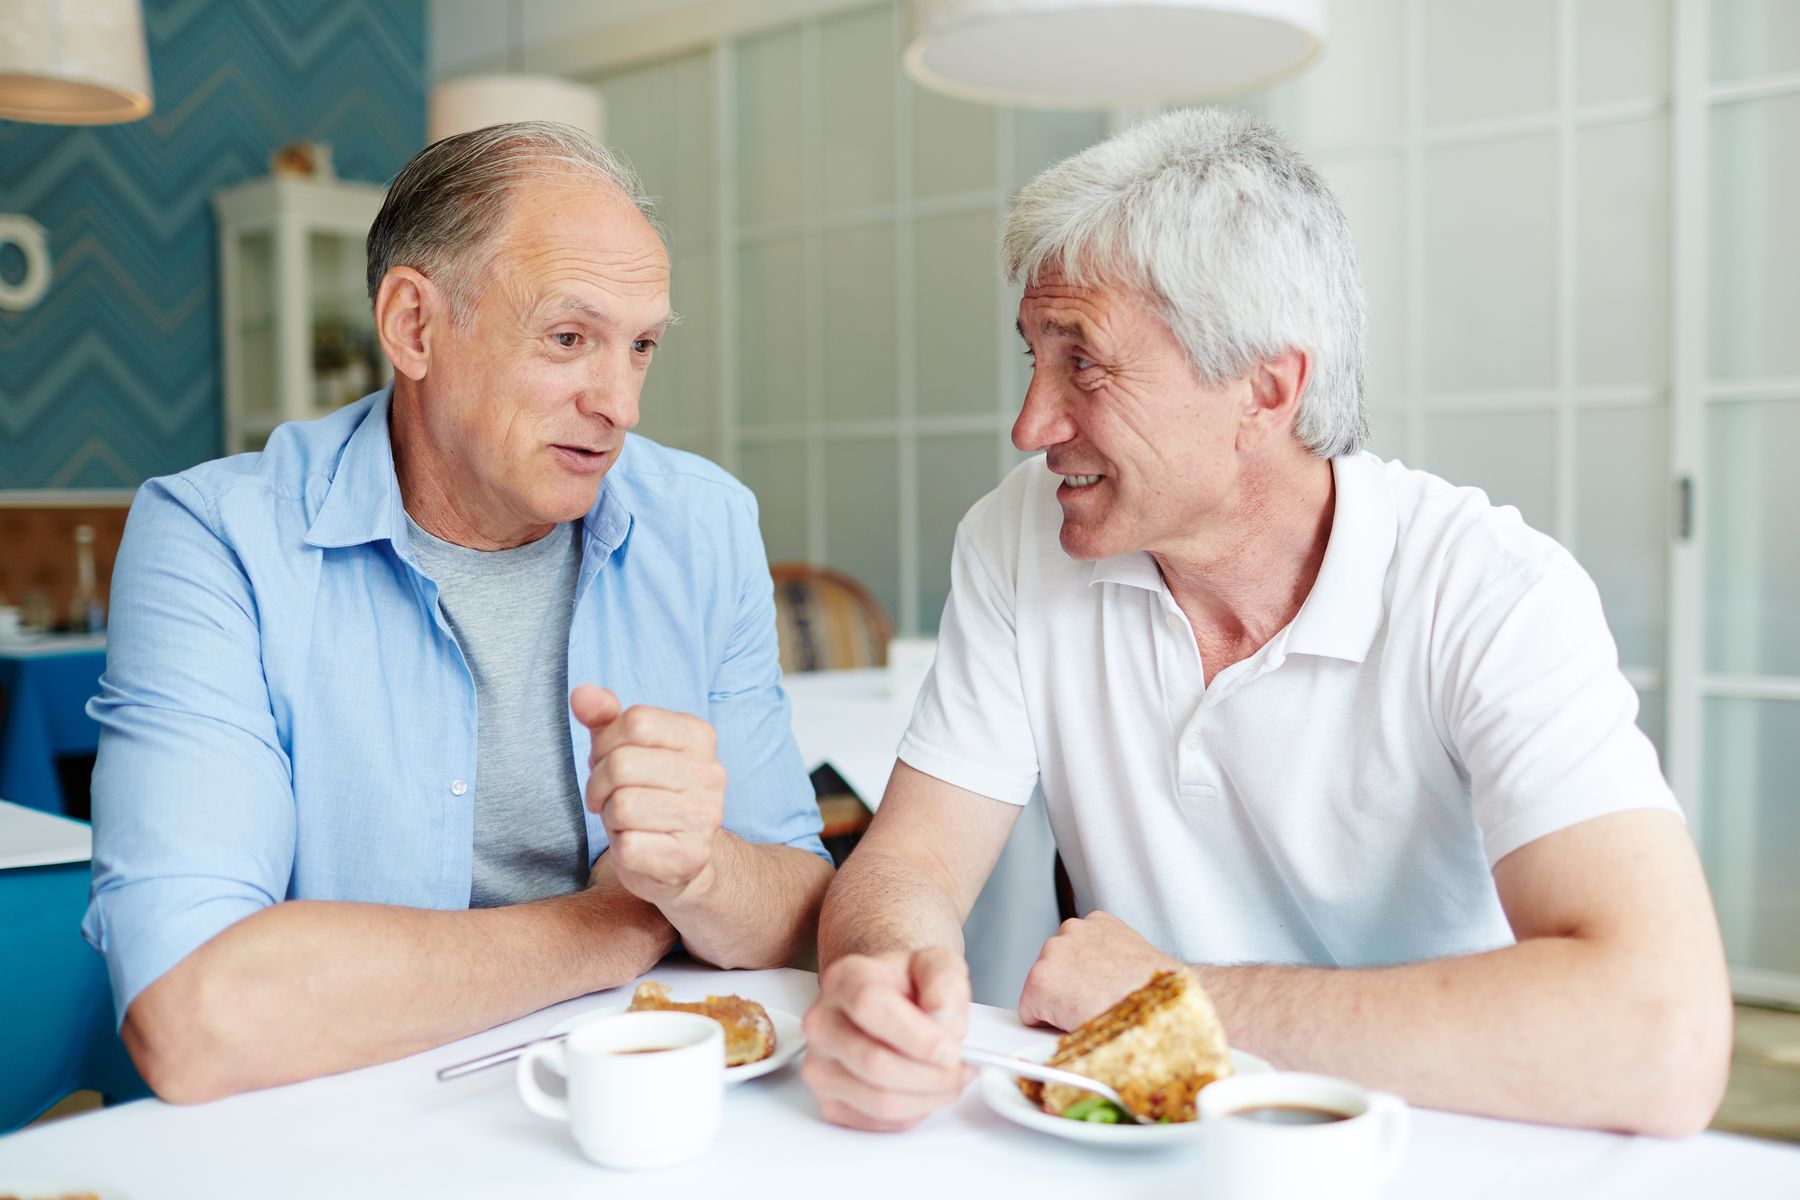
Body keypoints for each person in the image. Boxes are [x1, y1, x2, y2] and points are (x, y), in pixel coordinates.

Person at [800, 108, 1731, 1138]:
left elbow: (1663, 1039)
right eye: (1033, 355)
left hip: (1440, 1143)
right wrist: (880, 981)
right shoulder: (1018, 538)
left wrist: (1176, 997)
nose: (1032, 425)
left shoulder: (1490, 592)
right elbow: (910, 865)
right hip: (1154, 1142)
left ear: (1266, 389)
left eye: (1086, 366)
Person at [85, 123, 833, 1102]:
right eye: (569, 338)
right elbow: (195, 1019)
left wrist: (701, 873)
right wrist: (614, 924)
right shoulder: (215, 538)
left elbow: (803, 909)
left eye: (640, 346)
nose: (622, 404)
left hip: (633, 1113)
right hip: (338, 1128)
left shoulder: (704, 523)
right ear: (413, 327)